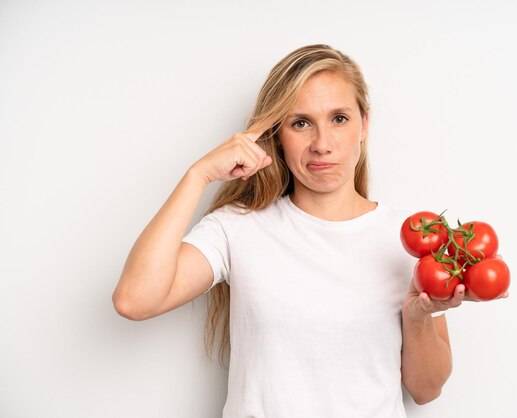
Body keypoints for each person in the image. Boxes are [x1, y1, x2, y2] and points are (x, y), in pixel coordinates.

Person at [112, 44, 467, 418]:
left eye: (339, 119)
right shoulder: (238, 226)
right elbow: (134, 300)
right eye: (301, 123)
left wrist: (417, 318)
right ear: (277, 134)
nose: (322, 144)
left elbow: (426, 390)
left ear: (364, 124)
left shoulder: (410, 236)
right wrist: (198, 176)